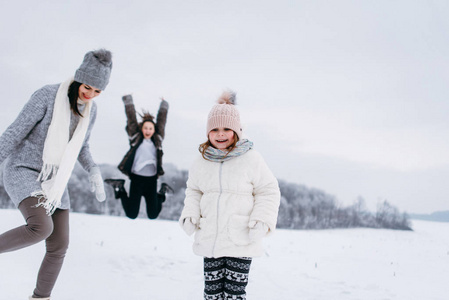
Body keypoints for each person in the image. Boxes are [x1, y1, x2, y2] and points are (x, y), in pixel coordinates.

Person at [0, 49, 113, 299]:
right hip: (23, 169)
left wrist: (93, 169)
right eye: (88, 87)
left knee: (59, 244)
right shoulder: (47, 96)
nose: (90, 94)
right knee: (41, 227)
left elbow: (82, 146)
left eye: (97, 91)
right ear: (79, 77)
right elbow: (15, 131)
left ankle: (40, 297)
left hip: (55, 180)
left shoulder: (90, 111)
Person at [179, 90, 281, 300]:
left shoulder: (251, 158)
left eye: (227, 128)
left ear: (237, 130)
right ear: (208, 132)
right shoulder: (201, 161)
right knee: (212, 294)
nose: (221, 134)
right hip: (210, 238)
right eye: (215, 129)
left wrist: (262, 220)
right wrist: (191, 213)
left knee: (234, 294)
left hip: (241, 237)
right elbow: (194, 190)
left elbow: (268, 190)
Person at [104, 95, 172, 220]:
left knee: (153, 215)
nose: (148, 130)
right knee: (131, 214)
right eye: (145, 128)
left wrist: (164, 104)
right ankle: (120, 187)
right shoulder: (135, 137)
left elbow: (161, 121)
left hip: (151, 181)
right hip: (136, 180)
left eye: (150, 128)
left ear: (154, 130)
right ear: (141, 129)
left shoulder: (158, 139)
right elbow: (131, 119)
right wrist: (128, 101)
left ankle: (162, 192)